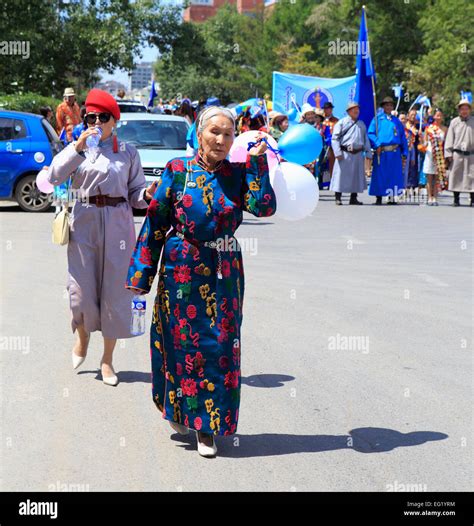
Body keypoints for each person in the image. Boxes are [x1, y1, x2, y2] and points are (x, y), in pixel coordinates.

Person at [125, 106, 276, 457]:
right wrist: (140, 275)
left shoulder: (238, 174)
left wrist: (258, 164)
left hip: (224, 269)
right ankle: (180, 411)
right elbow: (156, 223)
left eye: (228, 134)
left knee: (220, 345)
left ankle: (209, 427)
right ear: (199, 133)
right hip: (181, 269)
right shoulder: (178, 171)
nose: (222, 140)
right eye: (215, 132)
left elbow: (264, 206)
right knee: (180, 344)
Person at [47, 89, 157, 386]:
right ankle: (81, 338)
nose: (95, 122)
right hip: (84, 221)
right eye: (90, 116)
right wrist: (77, 148)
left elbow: (136, 195)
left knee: (115, 292)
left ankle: (107, 360)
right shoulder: (78, 147)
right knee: (80, 292)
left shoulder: (128, 152)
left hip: (119, 222)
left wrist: (147, 194)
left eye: (102, 117)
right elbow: (54, 176)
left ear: (114, 121)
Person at [330, 101, 372, 205]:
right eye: (354, 109)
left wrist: (368, 152)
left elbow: (365, 139)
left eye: (357, 108)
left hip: (358, 153)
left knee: (356, 176)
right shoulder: (342, 122)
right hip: (344, 153)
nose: (356, 110)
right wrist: (337, 153)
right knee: (340, 175)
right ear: (348, 111)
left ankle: (353, 197)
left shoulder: (361, 124)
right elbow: (335, 138)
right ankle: (338, 197)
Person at [368, 96, 408, 205]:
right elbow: (370, 133)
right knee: (380, 174)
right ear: (383, 106)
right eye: (386, 105)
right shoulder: (377, 119)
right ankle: (379, 196)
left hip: (395, 152)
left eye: (390, 105)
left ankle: (391, 196)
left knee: (393, 174)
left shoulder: (397, 121)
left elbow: (402, 137)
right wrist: (377, 144)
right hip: (382, 151)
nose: (389, 107)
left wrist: (405, 152)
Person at [444, 99, 474, 207]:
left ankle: (472, 200)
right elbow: (449, 138)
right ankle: (456, 199)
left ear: (469, 110)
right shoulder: (454, 122)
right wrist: (448, 154)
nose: (464, 111)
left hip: (471, 154)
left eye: (466, 109)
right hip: (457, 153)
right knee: (456, 176)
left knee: (472, 176)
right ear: (459, 110)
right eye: (462, 109)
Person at [421, 108, 448, 206]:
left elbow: (446, 143)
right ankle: (429, 197)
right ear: (434, 116)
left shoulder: (445, 129)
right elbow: (424, 143)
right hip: (429, 154)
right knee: (429, 177)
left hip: (439, 155)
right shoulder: (429, 128)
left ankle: (435, 197)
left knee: (437, 177)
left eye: (440, 115)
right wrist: (421, 139)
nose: (439, 117)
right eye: (437, 115)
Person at [403, 109, 421, 201]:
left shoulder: (418, 126)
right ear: (408, 115)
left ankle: (413, 186)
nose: (413, 116)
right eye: (411, 114)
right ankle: (405, 186)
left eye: (414, 115)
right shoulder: (405, 126)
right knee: (406, 168)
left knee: (414, 167)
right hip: (406, 149)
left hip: (415, 149)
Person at [322, 101, 339, 179]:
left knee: (332, 162)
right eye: (326, 108)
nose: (327, 110)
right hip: (322, 145)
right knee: (321, 163)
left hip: (332, 146)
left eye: (329, 108)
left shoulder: (336, 120)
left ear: (331, 109)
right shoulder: (321, 120)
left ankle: (333, 180)